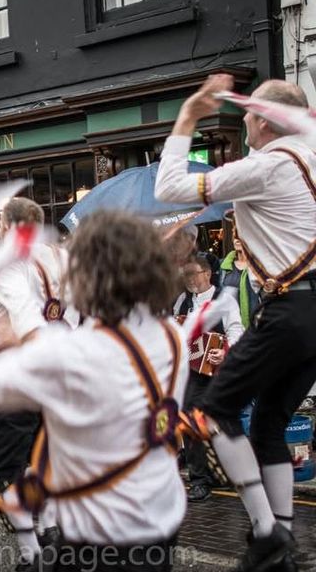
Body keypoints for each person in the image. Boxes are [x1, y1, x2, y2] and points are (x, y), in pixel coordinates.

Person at [0, 211, 187, 572]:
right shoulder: (171, 335)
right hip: (161, 522)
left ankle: (33, 551)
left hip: (99, 537)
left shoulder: (70, 353)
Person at [155, 75, 316, 571]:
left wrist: (187, 117)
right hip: (310, 313)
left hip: (291, 311)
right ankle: (281, 544)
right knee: (268, 425)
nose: (244, 116)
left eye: (249, 110)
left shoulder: (267, 166)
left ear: (264, 121)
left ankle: (268, 536)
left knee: (214, 409)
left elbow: (168, 188)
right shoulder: (308, 158)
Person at [0, 196, 78, 571]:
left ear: (6, 227)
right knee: (44, 456)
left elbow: (21, 319)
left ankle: (30, 553)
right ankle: (52, 529)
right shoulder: (63, 258)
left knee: (4, 466)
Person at [174, 257, 243, 502]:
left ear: (208, 273)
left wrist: (224, 350)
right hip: (190, 375)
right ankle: (199, 480)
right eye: (187, 275)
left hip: (217, 372)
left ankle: (223, 474)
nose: (191, 280)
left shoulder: (223, 300)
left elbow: (236, 330)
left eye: (195, 274)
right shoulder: (182, 301)